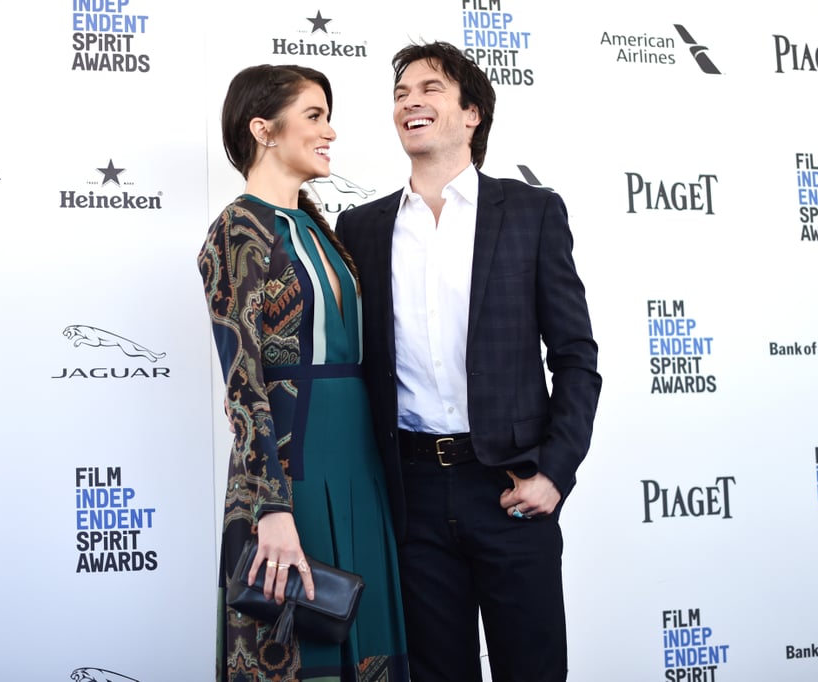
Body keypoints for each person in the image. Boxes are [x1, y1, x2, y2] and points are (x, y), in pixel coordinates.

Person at [335, 42, 602, 682]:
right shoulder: (361, 227)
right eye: (400, 94)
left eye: (429, 89)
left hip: (510, 489)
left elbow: (575, 357)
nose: (410, 102)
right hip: (412, 494)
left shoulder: (532, 212)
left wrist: (555, 473)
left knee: (531, 670)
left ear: (472, 112)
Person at [198, 64, 409, 681]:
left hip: (360, 465)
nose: (331, 132)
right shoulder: (236, 230)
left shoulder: (323, 229)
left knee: (368, 638)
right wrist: (272, 508)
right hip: (288, 470)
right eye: (314, 116)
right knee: (300, 646)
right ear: (263, 129)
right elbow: (244, 383)